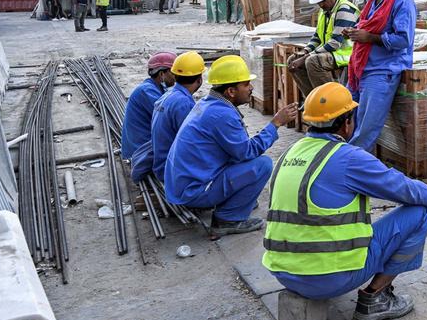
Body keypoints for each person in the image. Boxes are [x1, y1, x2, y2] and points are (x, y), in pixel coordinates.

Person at [263, 83, 427, 320]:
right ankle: (375, 299)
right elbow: (404, 188)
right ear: (347, 122)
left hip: (284, 273)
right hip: (327, 279)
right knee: (419, 213)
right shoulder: (347, 157)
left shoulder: (290, 152)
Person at [164, 56, 298, 236]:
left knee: (247, 164)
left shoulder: (209, 104)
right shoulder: (222, 115)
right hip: (193, 191)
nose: (251, 88)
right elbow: (247, 152)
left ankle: (235, 203)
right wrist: (275, 124)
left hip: (183, 184)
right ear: (231, 91)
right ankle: (227, 219)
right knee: (262, 164)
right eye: (246, 85)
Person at [343, 0, 416, 152]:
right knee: (346, 116)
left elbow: (403, 40)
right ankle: (350, 161)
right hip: (361, 68)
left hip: (382, 71)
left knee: (366, 128)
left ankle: (351, 167)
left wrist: (369, 37)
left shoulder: (403, 2)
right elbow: (365, 25)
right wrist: (354, 32)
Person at [130, 52, 206, 183]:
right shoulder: (183, 104)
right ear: (199, 79)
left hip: (160, 162)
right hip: (169, 171)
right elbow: (193, 144)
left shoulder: (168, 96)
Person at [289, 0, 360, 96]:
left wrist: (306, 57)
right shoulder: (325, 10)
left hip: (347, 54)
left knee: (312, 61)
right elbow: (317, 37)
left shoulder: (345, 10)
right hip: (332, 53)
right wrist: (305, 51)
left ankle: (332, 100)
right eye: (318, 2)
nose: (320, 5)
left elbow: (334, 43)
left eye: (323, 1)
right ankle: (313, 99)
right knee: (293, 60)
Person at [120, 52, 177, 159]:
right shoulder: (147, 91)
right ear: (161, 74)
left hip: (142, 145)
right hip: (140, 151)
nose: (175, 77)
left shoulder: (157, 88)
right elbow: (167, 120)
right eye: (173, 73)